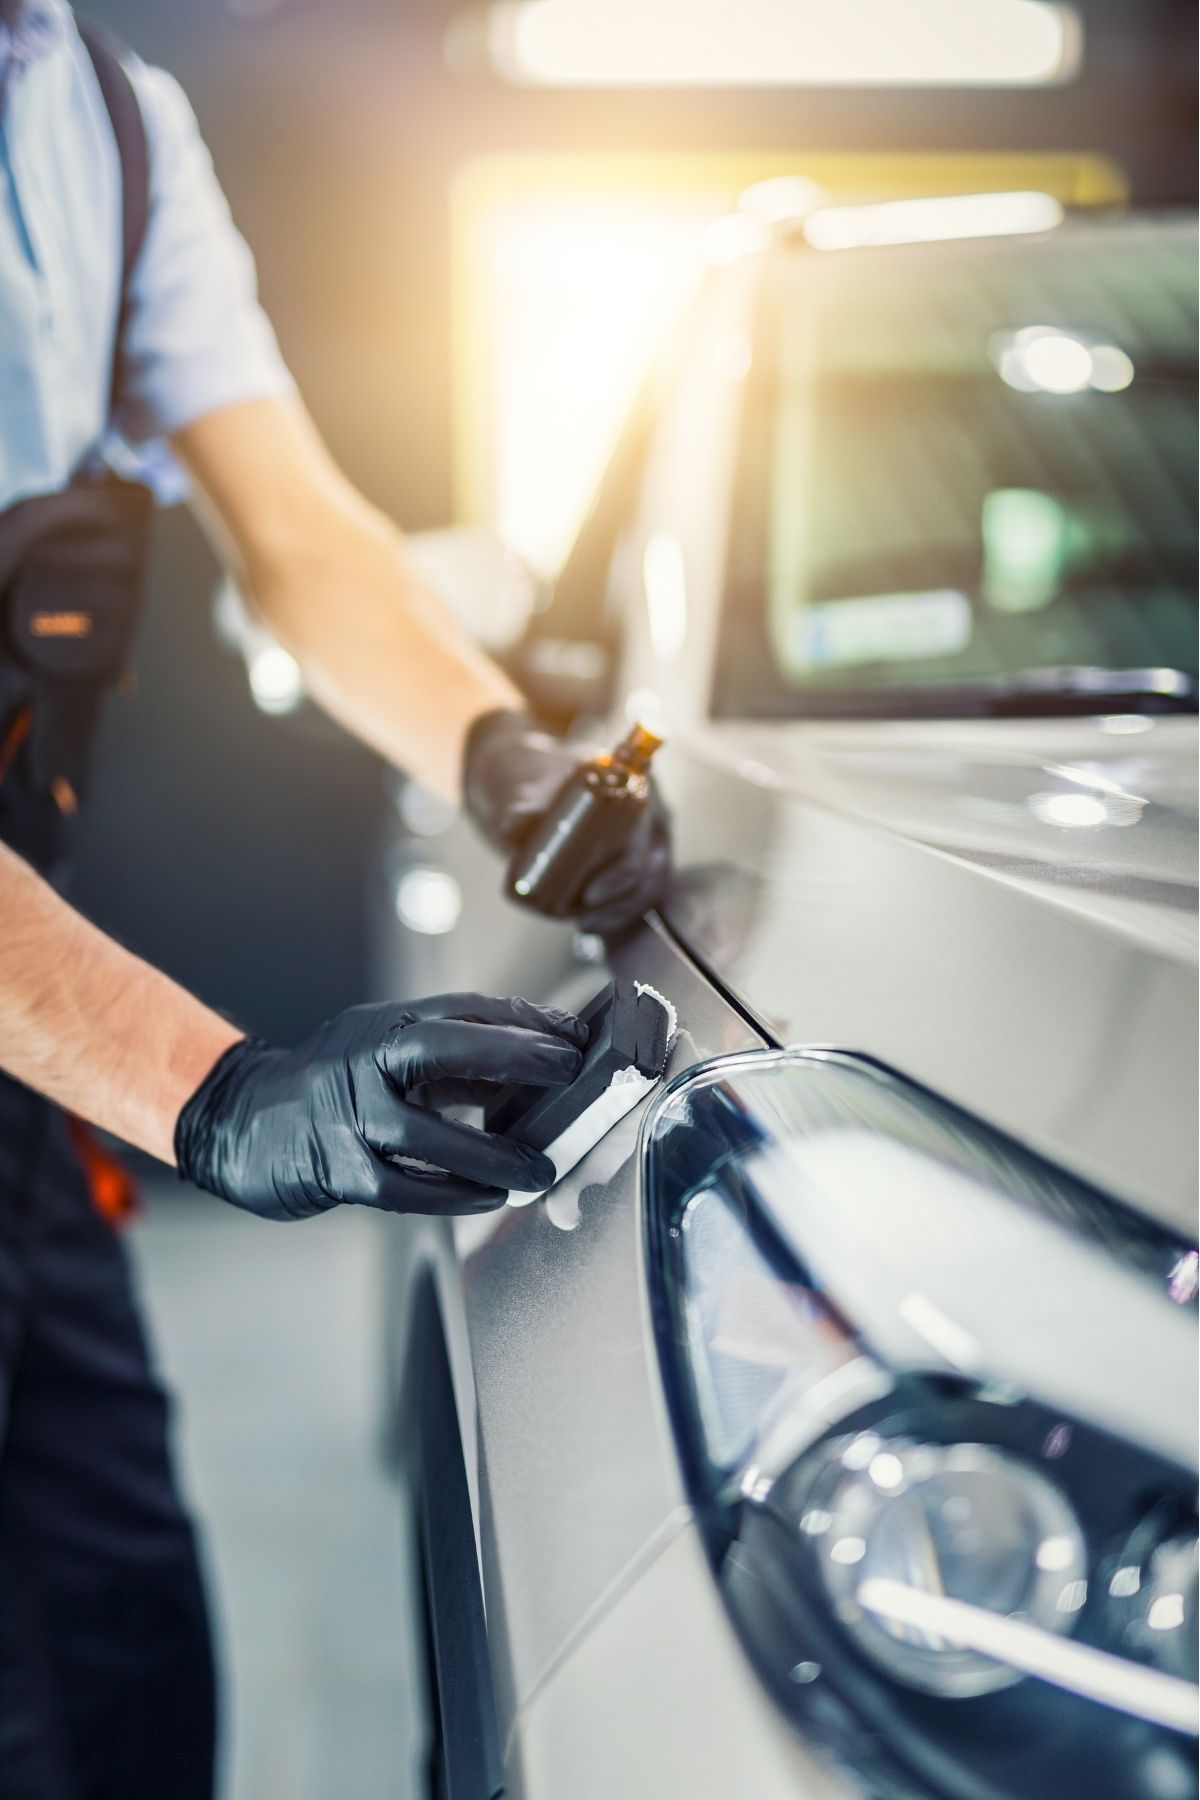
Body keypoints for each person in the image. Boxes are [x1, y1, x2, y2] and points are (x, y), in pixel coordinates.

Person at [0, 5, 670, 1795]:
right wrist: (217, 1093)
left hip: (17, 1070)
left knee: (118, 1651)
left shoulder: (113, 123)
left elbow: (298, 534)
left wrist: (500, 757)